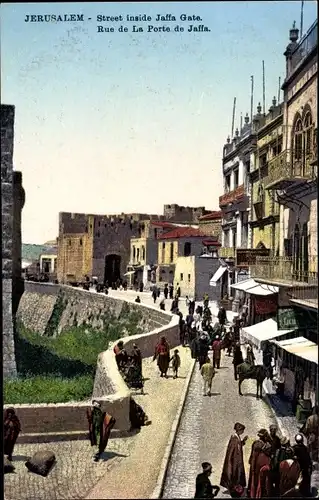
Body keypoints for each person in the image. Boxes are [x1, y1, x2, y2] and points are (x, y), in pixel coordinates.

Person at [220, 422, 248, 494]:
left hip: (237, 460)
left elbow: (238, 446)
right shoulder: (234, 438)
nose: (243, 432)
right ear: (239, 430)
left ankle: (236, 487)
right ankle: (233, 488)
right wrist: (231, 461)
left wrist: (243, 441)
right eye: (242, 430)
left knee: (237, 474)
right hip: (234, 461)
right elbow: (231, 450)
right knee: (233, 474)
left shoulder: (237, 437)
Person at [247, 428, 272, 497]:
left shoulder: (255, 443)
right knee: (260, 480)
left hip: (254, 463)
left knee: (253, 479)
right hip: (259, 465)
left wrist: (251, 462)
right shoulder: (265, 445)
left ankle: (252, 493)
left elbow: (252, 455)